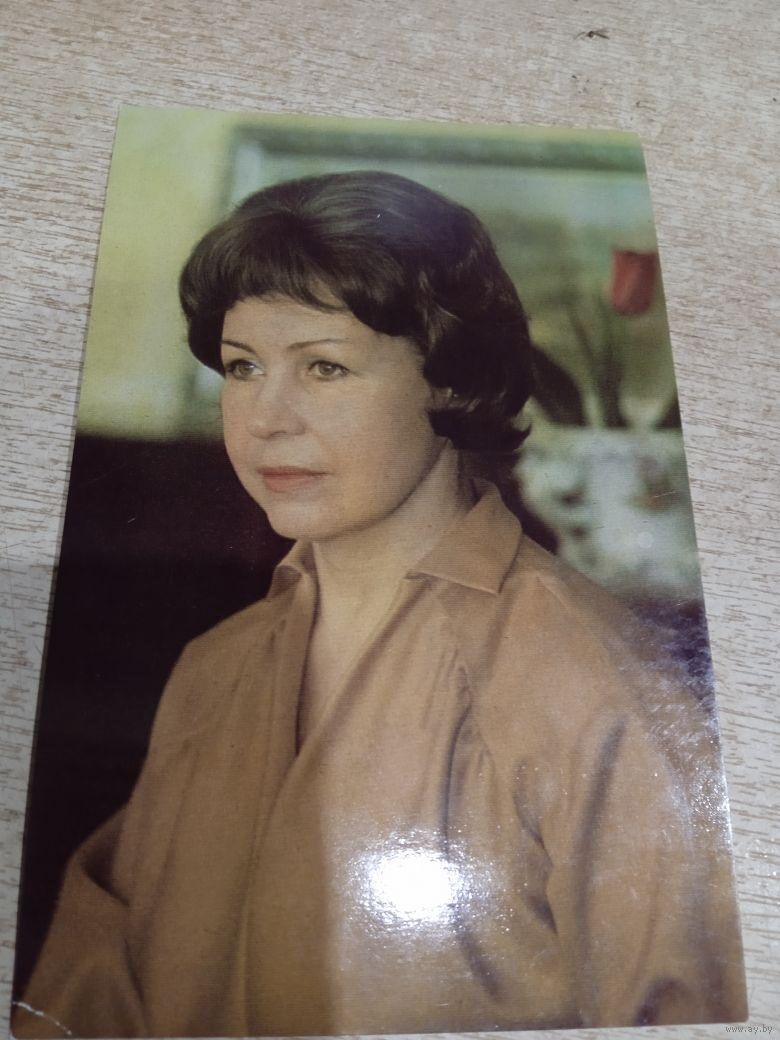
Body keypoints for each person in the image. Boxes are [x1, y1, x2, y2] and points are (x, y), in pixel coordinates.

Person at [13, 171, 746, 1037]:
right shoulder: (215, 669)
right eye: (244, 367)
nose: (267, 417)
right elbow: (91, 987)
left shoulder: (592, 678)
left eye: (324, 366)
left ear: (448, 379)